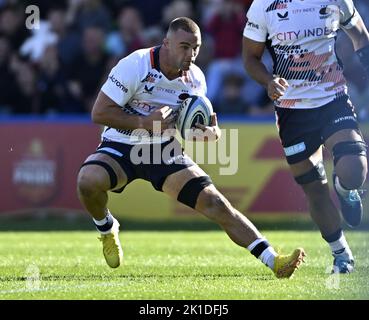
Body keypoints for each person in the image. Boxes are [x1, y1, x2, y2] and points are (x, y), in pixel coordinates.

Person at [77, 17, 305, 278]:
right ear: (166, 43)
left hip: (162, 150)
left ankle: (274, 261)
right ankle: (106, 229)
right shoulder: (135, 65)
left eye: (195, 48)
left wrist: (211, 132)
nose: (191, 54)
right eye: (184, 46)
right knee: (87, 181)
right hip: (122, 143)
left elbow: (201, 121)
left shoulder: (195, 79)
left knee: (215, 202)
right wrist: (143, 122)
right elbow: (99, 113)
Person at [243, 0, 369, 274]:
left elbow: (360, 34)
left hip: (333, 98)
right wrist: (268, 81)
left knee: (354, 170)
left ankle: (346, 189)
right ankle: (341, 254)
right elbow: (250, 58)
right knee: (314, 188)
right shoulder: (264, 5)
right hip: (292, 111)